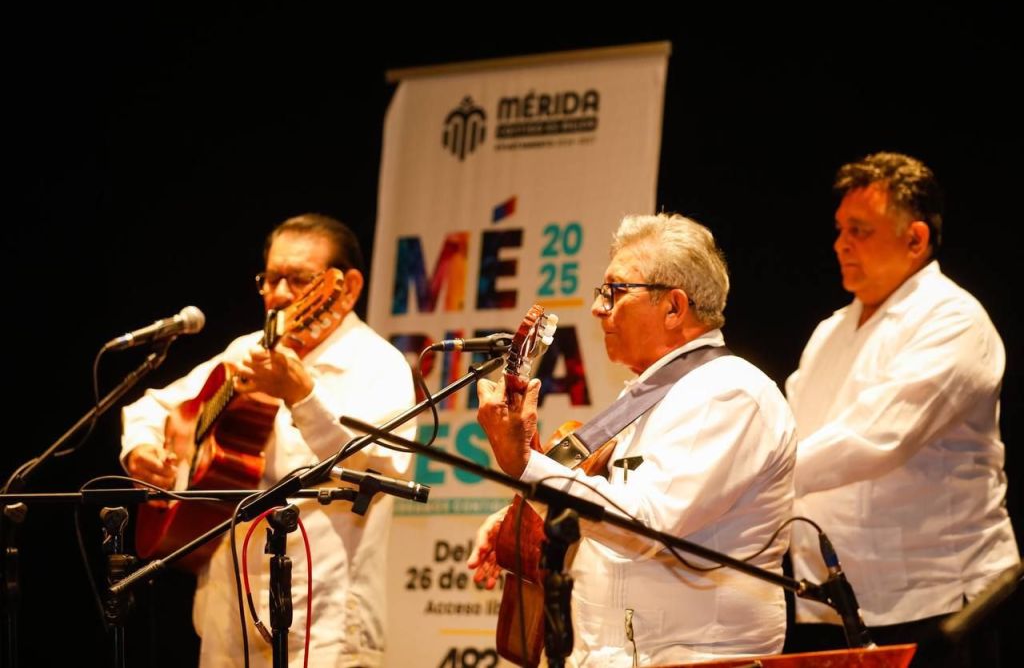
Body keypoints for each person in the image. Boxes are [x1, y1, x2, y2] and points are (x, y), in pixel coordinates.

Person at [469, 213, 797, 666]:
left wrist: (526, 465)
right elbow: (615, 506)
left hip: (694, 658)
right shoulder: (647, 395)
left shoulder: (727, 392)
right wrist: (527, 516)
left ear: (674, 307)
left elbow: (647, 524)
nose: (597, 307)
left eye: (615, 291)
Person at [121, 213, 416, 667]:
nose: (278, 294)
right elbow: (154, 406)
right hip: (227, 618)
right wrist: (142, 450)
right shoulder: (248, 351)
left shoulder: (378, 363)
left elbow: (383, 469)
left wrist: (303, 397)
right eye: (270, 278)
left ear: (347, 287)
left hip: (326, 626)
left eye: (298, 280)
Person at [785, 152, 1020, 665]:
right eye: (840, 229)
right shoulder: (829, 333)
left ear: (915, 239)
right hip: (839, 603)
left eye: (859, 230)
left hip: (942, 603)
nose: (840, 243)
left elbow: (876, 438)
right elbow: (786, 432)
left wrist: (753, 476)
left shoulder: (954, 320)